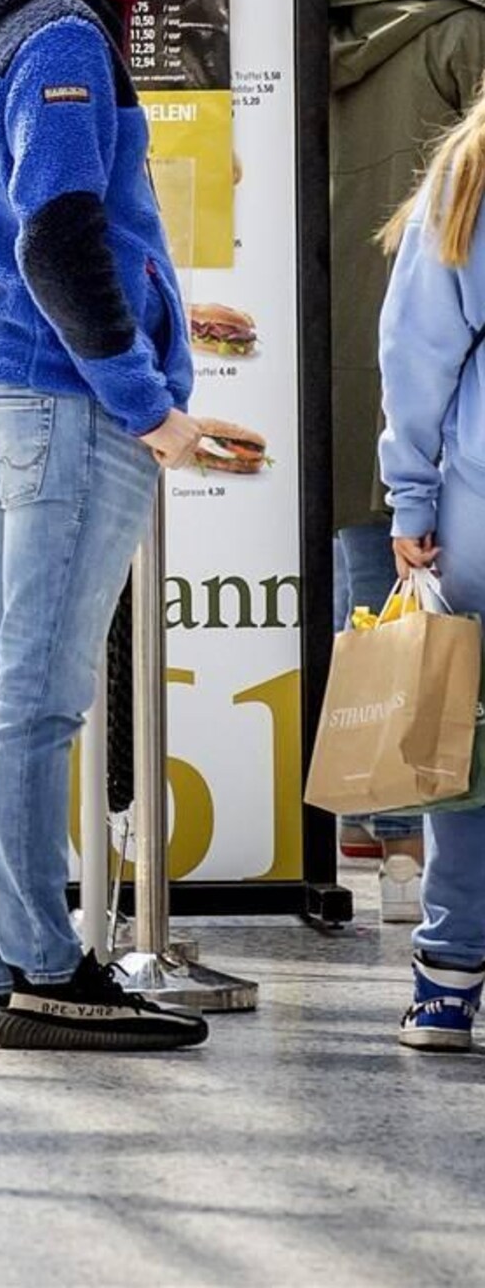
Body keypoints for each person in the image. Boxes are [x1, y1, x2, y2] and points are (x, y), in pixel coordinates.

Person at [0, 0, 206, 1052]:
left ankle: (22, 955)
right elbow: (57, 232)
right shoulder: (57, 38)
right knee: (31, 697)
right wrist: (146, 402)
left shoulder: (4, 22)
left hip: (19, 387)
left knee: (6, 689)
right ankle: (41, 962)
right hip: (63, 392)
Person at [329, 0, 485, 911]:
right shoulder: (462, 32)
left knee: (391, 607)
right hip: (439, 369)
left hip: (341, 349)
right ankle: (411, 864)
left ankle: (375, 816)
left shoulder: (314, 21)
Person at [376, 91, 485, 1050]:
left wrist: (411, 497)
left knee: (468, 748)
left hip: (480, 504)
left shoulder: (469, 165)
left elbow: (418, 350)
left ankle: (447, 977)